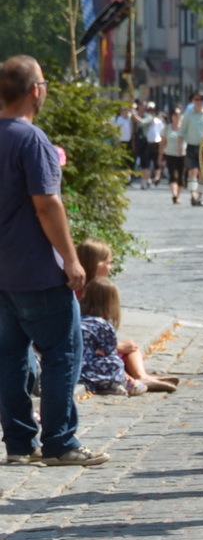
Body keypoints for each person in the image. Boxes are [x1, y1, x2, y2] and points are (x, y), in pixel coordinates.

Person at [0, 56, 107, 467]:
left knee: (9, 359)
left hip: (3, 272)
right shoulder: (32, 140)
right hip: (36, 270)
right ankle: (60, 442)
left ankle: (19, 444)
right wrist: (71, 259)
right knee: (62, 353)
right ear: (34, 91)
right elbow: (47, 205)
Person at [76, 240, 178, 393]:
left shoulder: (90, 288)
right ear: (97, 264)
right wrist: (118, 347)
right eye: (108, 263)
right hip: (90, 354)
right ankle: (139, 378)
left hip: (93, 350)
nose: (111, 267)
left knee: (132, 348)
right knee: (124, 351)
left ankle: (143, 376)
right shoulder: (88, 291)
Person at [182, 93, 203, 206]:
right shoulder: (188, 115)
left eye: (202, 99)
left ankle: (201, 196)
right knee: (192, 171)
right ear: (192, 101)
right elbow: (182, 131)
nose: (199, 101)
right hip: (191, 146)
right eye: (197, 99)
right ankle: (192, 195)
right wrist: (180, 146)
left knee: (202, 173)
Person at [164, 106, 186, 204]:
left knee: (181, 176)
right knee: (173, 175)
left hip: (183, 155)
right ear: (171, 116)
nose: (177, 116)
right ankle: (174, 195)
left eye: (179, 114)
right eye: (175, 114)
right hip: (170, 154)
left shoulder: (184, 128)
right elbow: (163, 142)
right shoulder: (167, 128)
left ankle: (178, 195)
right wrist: (160, 156)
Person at [141, 103, 165, 187]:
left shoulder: (159, 121)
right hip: (147, 142)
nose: (151, 113)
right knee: (145, 162)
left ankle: (157, 177)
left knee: (157, 162)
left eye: (152, 111)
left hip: (156, 143)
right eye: (149, 111)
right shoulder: (145, 121)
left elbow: (162, 132)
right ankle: (148, 179)